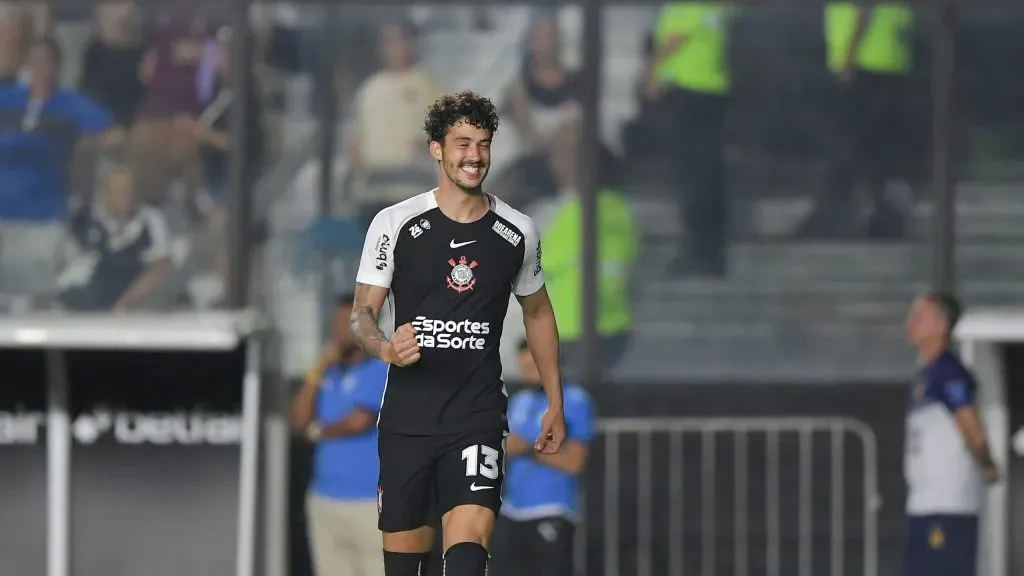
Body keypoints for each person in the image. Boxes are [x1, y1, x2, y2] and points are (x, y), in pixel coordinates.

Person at [350, 91, 567, 576]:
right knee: (405, 566)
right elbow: (361, 314)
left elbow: (537, 312)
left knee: (469, 550)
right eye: (463, 142)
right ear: (436, 148)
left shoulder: (518, 231)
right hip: (408, 421)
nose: (474, 155)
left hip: (478, 417)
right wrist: (385, 346)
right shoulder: (394, 223)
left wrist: (555, 398)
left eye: (483, 144)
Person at [290, 294, 389, 576]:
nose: (338, 330)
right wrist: (318, 369)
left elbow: (360, 421)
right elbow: (298, 419)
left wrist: (319, 430)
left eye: (347, 323)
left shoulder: (381, 368)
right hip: (325, 499)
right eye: (335, 322)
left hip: (369, 503)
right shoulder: (327, 373)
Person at [903, 291, 999, 576]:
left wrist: (987, 464)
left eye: (920, 316)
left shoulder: (949, 371)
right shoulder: (926, 374)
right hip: (923, 504)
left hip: (947, 506)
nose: (911, 322)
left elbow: (969, 420)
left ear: (940, 324)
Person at [489, 338, 594, 576]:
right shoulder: (519, 401)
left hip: (551, 508)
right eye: (523, 367)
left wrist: (527, 449)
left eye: (533, 367)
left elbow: (574, 462)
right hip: (511, 509)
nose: (527, 374)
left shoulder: (575, 400)